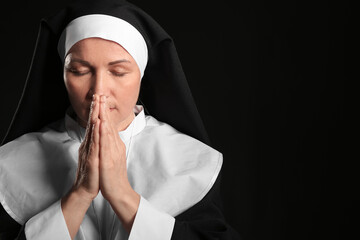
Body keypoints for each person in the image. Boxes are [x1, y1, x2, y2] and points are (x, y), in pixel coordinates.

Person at [0, 0, 240, 239]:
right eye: (80, 71)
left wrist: (122, 194)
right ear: (62, 74)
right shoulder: (10, 165)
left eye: (118, 72)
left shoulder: (189, 161)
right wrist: (80, 195)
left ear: (141, 75)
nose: (99, 90)